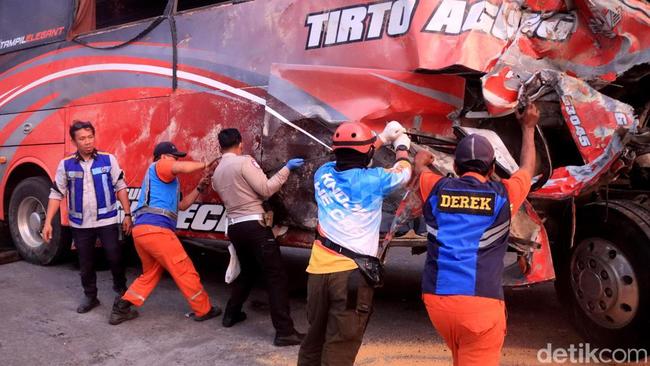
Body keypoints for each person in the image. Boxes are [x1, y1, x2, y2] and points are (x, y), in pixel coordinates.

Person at [416, 103, 540, 366]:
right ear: (492, 168)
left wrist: (420, 160)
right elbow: (528, 169)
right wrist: (528, 128)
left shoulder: (436, 189)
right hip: (479, 307)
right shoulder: (503, 196)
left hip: (437, 302)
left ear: (457, 168)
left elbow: (419, 171)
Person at [298, 121, 412, 366]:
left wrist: (380, 138)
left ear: (335, 151)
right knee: (340, 345)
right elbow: (404, 170)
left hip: (317, 273)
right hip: (351, 277)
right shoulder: (376, 180)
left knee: (313, 341)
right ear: (369, 153)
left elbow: (354, 154)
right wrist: (401, 146)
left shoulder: (323, 174)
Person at [211, 128, 304, 346]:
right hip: (255, 225)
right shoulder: (244, 162)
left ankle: (231, 314)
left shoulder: (217, 172)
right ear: (240, 143)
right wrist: (286, 169)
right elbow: (266, 189)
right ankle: (284, 332)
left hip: (235, 228)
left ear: (220, 147)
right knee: (276, 276)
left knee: (249, 271)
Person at [109, 141, 220, 325]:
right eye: (173, 156)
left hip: (143, 232)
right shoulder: (160, 166)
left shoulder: (168, 181)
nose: (176, 160)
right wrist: (205, 164)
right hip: (157, 231)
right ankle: (204, 309)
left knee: (150, 273)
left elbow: (182, 206)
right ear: (162, 157)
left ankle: (122, 306)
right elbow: (180, 167)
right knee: (184, 269)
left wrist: (200, 187)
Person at [43, 120, 132, 314]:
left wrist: (127, 214)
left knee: (115, 256)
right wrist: (48, 222)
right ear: (74, 141)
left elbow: (121, 187)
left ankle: (122, 291)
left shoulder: (108, 160)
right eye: (82, 138)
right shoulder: (66, 165)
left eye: (90, 137)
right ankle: (90, 296)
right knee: (85, 262)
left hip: (107, 220)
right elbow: (56, 194)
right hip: (80, 224)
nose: (87, 142)